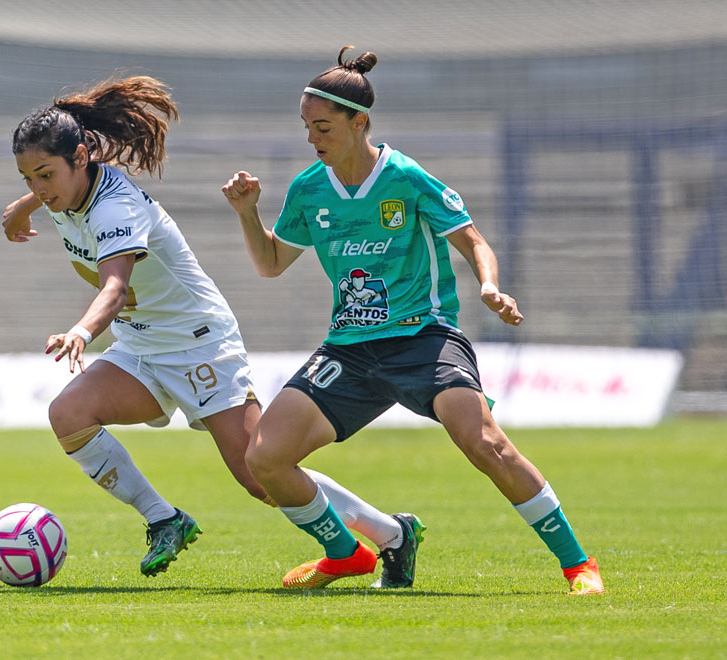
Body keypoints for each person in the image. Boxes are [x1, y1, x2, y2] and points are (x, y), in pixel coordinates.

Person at [222, 47, 604, 595]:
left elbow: (472, 241)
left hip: (424, 338)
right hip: (349, 350)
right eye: (307, 127)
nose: (313, 138)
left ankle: (578, 566)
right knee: (264, 458)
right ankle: (348, 553)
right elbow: (271, 263)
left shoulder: (405, 177)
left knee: (485, 444)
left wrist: (490, 286)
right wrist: (247, 214)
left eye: (324, 127)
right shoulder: (309, 188)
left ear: (361, 123)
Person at [1, 75, 412, 580]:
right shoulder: (67, 190)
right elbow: (51, 195)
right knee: (69, 414)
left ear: (82, 158)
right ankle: (164, 519)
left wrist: (82, 333)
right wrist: (23, 206)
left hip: (200, 346)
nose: (39, 190)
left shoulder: (115, 209)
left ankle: (391, 534)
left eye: (44, 176)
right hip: (142, 347)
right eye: (27, 180)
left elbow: (112, 288)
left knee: (261, 476)